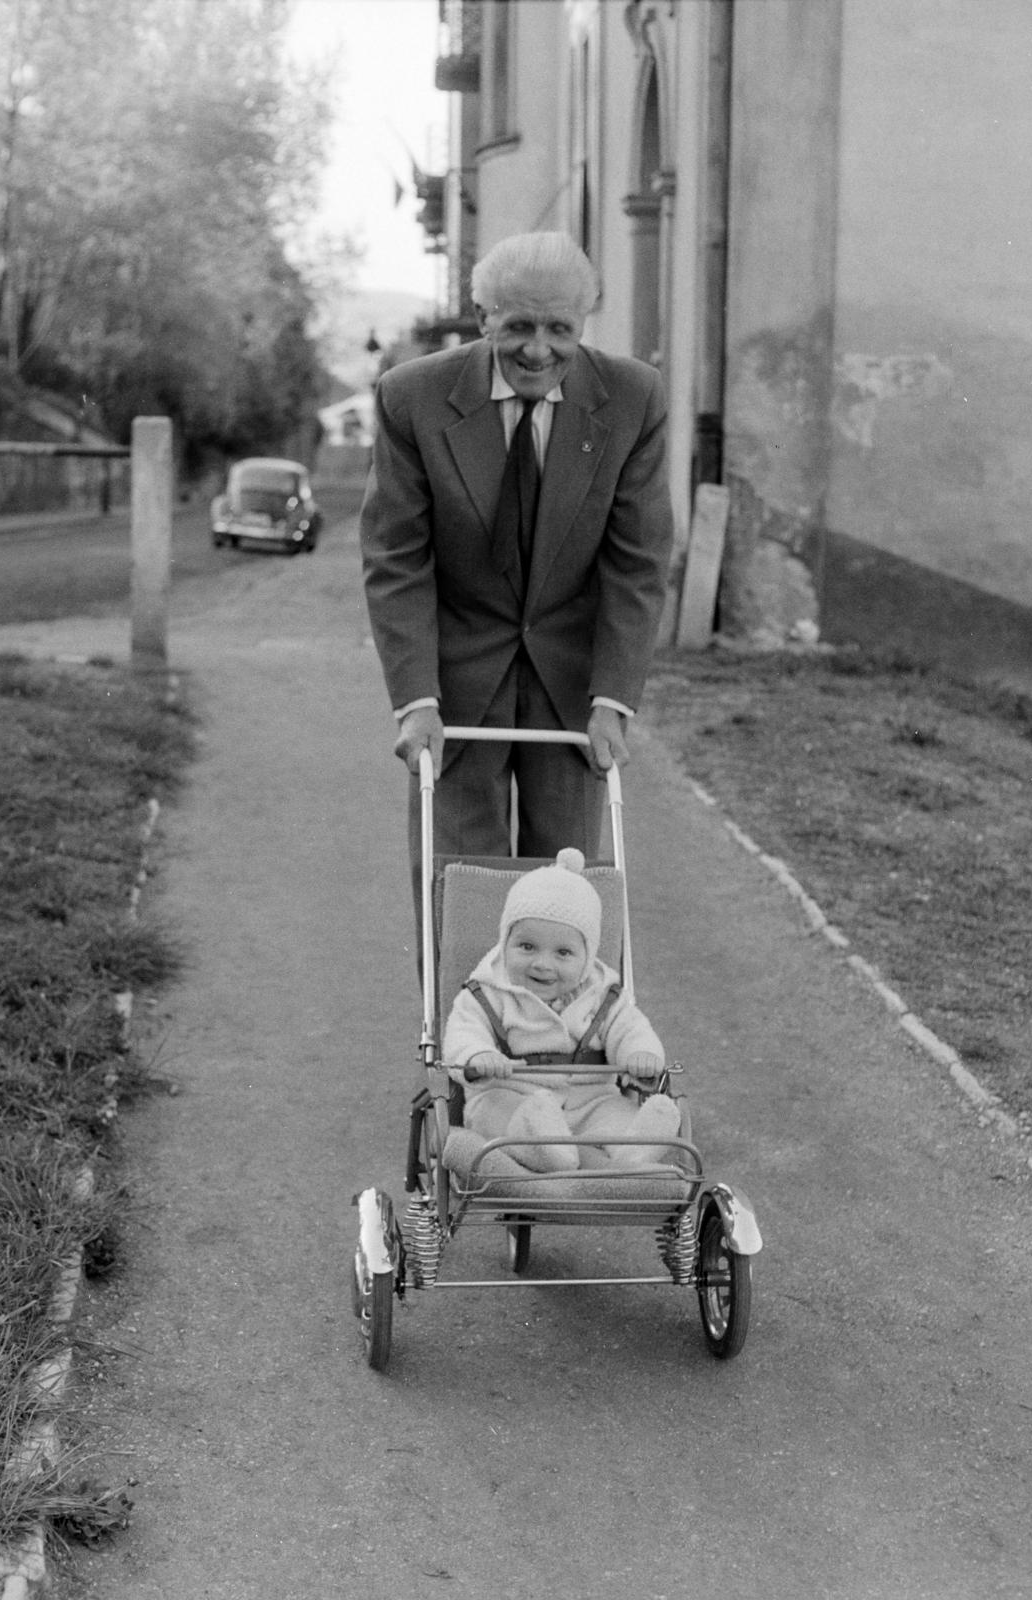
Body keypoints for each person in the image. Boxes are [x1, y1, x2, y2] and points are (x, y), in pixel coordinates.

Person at [359, 231, 674, 907]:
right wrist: (415, 702)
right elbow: (397, 560)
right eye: (518, 326)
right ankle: (458, 1017)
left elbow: (637, 562)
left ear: (583, 322)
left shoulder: (631, 399)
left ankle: (551, 1020)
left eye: (559, 328)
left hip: (570, 686)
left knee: (561, 901)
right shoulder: (412, 398)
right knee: (461, 891)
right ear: (482, 321)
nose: (539, 349)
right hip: (455, 684)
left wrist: (612, 700)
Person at [442, 849, 681, 1171]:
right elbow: (462, 1032)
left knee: (616, 1115)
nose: (543, 964)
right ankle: (542, 1147)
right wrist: (476, 1057)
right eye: (526, 947)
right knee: (495, 1113)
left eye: (564, 953)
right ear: (504, 941)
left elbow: (631, 1028)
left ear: (587, 956)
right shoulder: (486, 991)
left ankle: (633, 1151)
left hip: (589, 1098)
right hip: (510, 1094)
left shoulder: (603, 994)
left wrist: (640, 1054)